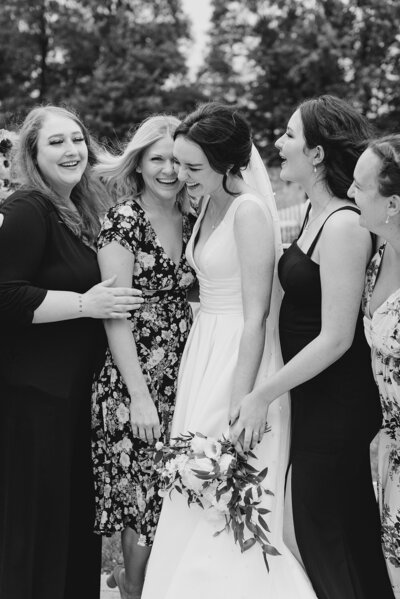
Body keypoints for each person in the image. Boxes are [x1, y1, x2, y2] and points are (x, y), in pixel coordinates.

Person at [141, 102, 317, 599]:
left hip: (241, 358)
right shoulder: (204, 206)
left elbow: (257, 314)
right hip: (204, 351)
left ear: (229, 164)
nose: (180, 175)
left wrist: (242, 401)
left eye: (194, 168)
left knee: (229, 492)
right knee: (192, 489)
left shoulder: (250, 212)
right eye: (177, 162)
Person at [231, 95, 395, 599]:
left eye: (288, 135)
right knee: (340, 537)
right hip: (313, 397)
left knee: (322, 536)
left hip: (337, 403)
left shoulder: (345, 224)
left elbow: (336, 335)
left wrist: (261, 396)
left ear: (318, 153)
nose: (278, 144)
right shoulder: (311, 214)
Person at [0, 105, 142, 599]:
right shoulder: (27, 209)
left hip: (74, 396)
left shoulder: (82, 209)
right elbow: (5, 294)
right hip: (35, 398)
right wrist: (86, 303)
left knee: (71, 524)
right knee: (37, 526)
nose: (71, 150)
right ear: (32, 154)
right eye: (56, 142)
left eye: (77, 139)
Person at [91, 115, 196, 599]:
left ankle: (146, 583)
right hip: (136, 375)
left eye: (177, 158)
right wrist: (139, 397)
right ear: (139, 164)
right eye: (158, 159)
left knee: (172, 489)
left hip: (186, 366)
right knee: (144, 495)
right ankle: (132, 589)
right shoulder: (123, 221)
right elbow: (115, 316)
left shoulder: (195, 217)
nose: (170, 169)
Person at [348, 134, 400, 598]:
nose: (350, 192)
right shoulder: (378, 253)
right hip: (391, 448)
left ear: (393, 203)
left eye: (360, 186)